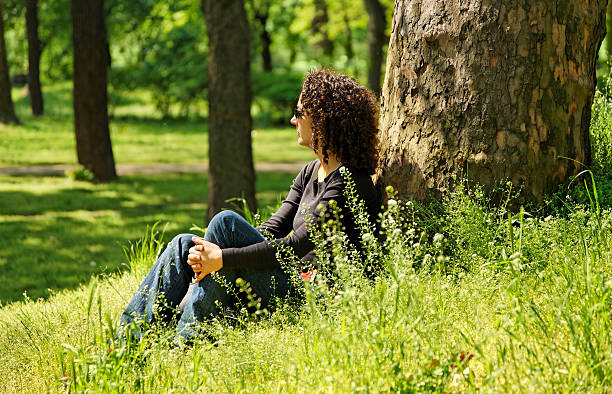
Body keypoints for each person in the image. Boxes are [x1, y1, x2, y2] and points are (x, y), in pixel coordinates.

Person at [119, 69, 381, 344]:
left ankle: (184, 343)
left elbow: (295, 246)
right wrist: (217, 249)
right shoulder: (311, 172)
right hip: (286, 280)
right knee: (187, 243)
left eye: (299, 112)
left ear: (323, 121)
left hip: (312, 299)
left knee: (224, 224)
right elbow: (272, 228)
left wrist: (223, 257)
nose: (293, 120)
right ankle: (126, 342)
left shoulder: (349, 184)